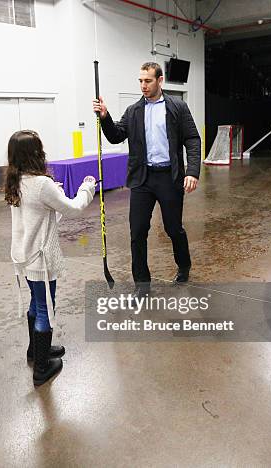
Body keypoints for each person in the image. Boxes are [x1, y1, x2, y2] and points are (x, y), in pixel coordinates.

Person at [92, 62, 201, 296]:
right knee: (138, 231)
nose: (143, 85)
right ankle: (142, 285)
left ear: (160, 81)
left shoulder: (177, 107)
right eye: (140, 81)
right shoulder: (134, 111)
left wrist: (192, 171)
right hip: (142, 179)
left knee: (173, 229)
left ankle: (184, 265)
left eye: (148, 81)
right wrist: (105, 117)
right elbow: (116, 135)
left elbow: (192, 138)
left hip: (169, 178)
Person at [5, 130, 96, 386]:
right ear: (36, 153)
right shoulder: (41, 185)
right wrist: (86, 188)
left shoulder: (17, 181)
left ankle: (35, 352)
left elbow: (40, 216)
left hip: (25, 256)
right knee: (45, 309)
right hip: (40, 261)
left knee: (36, 304)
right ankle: (42, 369)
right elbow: (75, 208)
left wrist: (53, 194)